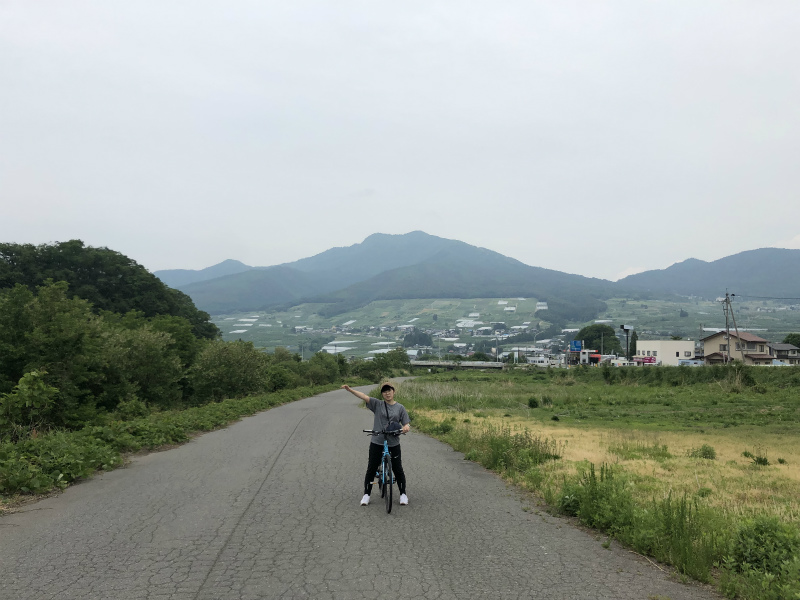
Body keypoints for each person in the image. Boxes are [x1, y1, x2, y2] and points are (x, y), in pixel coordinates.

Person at [342, 382, 411, 506]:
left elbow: (406, 423)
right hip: (377, 441)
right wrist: (350, 390)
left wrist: (406, 427)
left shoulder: (400, 407)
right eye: (384, 391)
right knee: (371, 468)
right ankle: (366, 495)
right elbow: (363, 396)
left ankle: (403, 494)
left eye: (389, 390)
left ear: (393, 392)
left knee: (397, 468)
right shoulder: (378, 404)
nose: (387, 393)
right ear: (382, 394)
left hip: (393, 442)